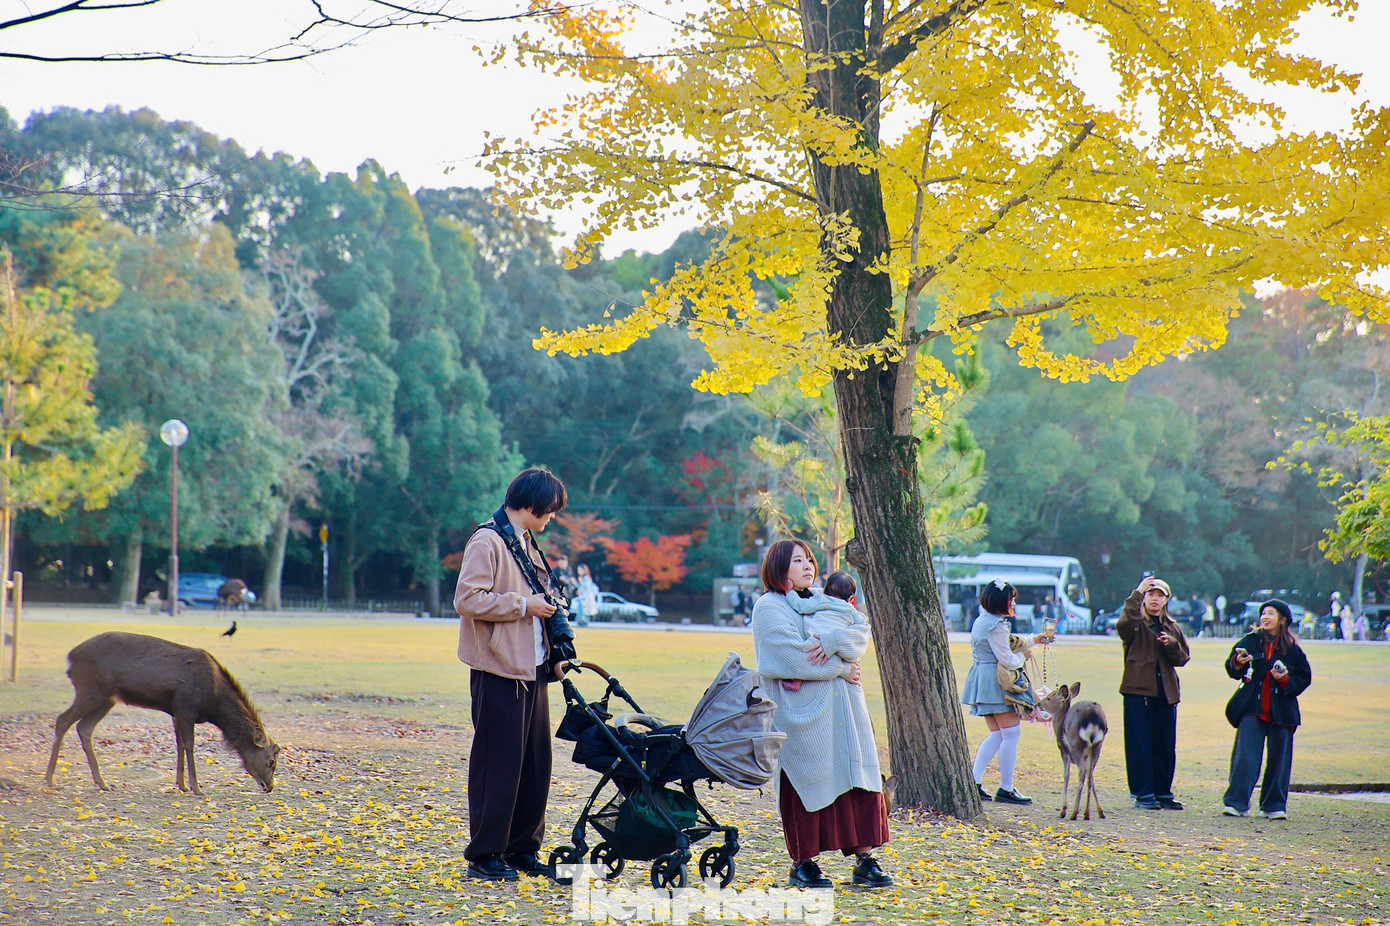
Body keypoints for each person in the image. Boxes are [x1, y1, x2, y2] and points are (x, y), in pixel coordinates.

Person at [454, 467, 574, 882]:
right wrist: (524, 605)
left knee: (534, 765)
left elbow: (544, 600)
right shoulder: (488, 540)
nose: (551, 517)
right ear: (529, 505)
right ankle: (485, 854)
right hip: (499, 670)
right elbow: (467, 598)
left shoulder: (524, 541)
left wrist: (556, 653)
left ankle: (523, 848)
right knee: (498, 765)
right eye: (550, 510)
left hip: (533, 669)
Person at [751, 540, 892, 890]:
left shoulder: (823, 600)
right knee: (806, 784)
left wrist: (834, 649)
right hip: (803, 716)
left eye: (809, 560)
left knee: (857, 783)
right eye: (797, 560)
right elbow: (791, 659)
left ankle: (865, 860)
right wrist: (843, 669)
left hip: (844, 709)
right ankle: (803, 864)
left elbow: (859, 635)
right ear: (778, 567)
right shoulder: (768, 607)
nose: (807, 566)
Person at [960, 578, 1056, 806]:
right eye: (1011, 599)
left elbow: (1010, 642)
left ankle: (974, 781)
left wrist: (1033, 639)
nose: (1013, 603)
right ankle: (1006, 788)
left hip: (983, 680)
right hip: (997, 682)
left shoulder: (983, 620)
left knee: (997, 735)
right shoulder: (997, 626)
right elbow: (1007, 658)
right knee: (1010, 735)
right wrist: (1025, 655)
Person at [1221, 599, 1312, 819]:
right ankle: (1236, 803)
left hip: (1283, 712)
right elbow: (1231, 668)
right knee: (1245, 757)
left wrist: (1285, 679)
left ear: (1282, 620)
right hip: (1253, 708)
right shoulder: (1250, 641)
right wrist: (1238, 661)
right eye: (1263, 613)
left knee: (1279, 761)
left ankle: (1273, 806)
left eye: (1270, 613)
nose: (1265, 617)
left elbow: (1304, 678)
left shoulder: (1293, 649)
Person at [1117, 575, 1191, 811]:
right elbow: (1123, 625)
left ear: (1167, 599)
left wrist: (1171, 644)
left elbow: (1182, 658)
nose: (1155, 599)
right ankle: (1142, 793)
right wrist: (1136, 592)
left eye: (1160, 595)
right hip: (1138, 692)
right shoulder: (1136, 623)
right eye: (1151, 594)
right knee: (1139, 743)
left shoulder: (1172, 627)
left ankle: (1162, 792)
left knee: (1165, 745)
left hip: (1166, 693)